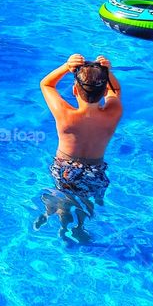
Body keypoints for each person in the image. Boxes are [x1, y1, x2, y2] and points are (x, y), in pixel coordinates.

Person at [34, 54, 123, 241]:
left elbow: (46, 84)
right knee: (86, 200)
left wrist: (67, 67)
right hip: (94, 172)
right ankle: (80, 226)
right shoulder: (113, 113)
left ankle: (56, 215)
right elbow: (115, 90)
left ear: (75, 90)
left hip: (65, 169)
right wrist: (107, 72)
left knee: (63, 197)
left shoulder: (64, 113)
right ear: (104, 90)